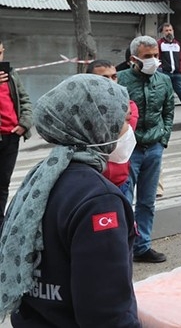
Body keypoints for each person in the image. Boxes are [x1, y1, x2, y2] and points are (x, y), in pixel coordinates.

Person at [0, 74, 139, 327]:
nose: (128, 130)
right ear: (98, 124)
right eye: (123, 121)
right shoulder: (99, 200)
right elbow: (106, 313)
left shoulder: (40, 179)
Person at [118, 35, 174, 264]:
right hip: (129, 150)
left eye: (155, 56)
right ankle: (122, 249)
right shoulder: (120, 80)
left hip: (154, 148)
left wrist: (163, 139)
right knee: (123, 200)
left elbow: (168, 111)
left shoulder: (164, 81)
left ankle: (142, 246)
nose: (153, 60)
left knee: (147, 202)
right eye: (147, 57)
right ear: (134, 59)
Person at [87, 59, 139, 187]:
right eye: (104, 78)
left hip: (121, 181)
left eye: (114, 77)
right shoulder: (82, 107)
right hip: (91, 180)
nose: (111, 81)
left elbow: (121, 136)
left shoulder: (129, 105)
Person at [0, 40, 32, 229]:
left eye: (0, 53)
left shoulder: (11, 74)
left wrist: (24, 124)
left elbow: (25, 100)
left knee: (3, 184)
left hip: (11, 137)